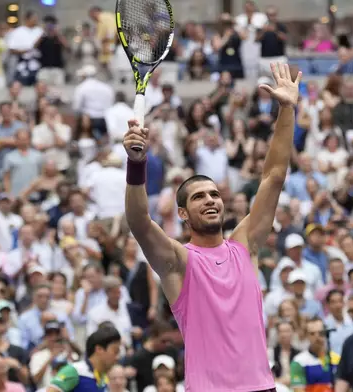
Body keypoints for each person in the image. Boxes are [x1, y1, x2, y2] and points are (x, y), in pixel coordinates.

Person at [122, 62, 301, 391]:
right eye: (199, 197)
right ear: (183, 214)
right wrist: (137, 165)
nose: (210, 200)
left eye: (214, 194)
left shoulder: (244, 244)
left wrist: (287, 109)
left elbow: (274, 176)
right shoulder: (178, 260)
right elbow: (139, 222)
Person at [46, 326, 122, 392]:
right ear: (99, 349)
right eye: (115, 351)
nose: (117, 357)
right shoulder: (75, 371)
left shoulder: (104, 378)